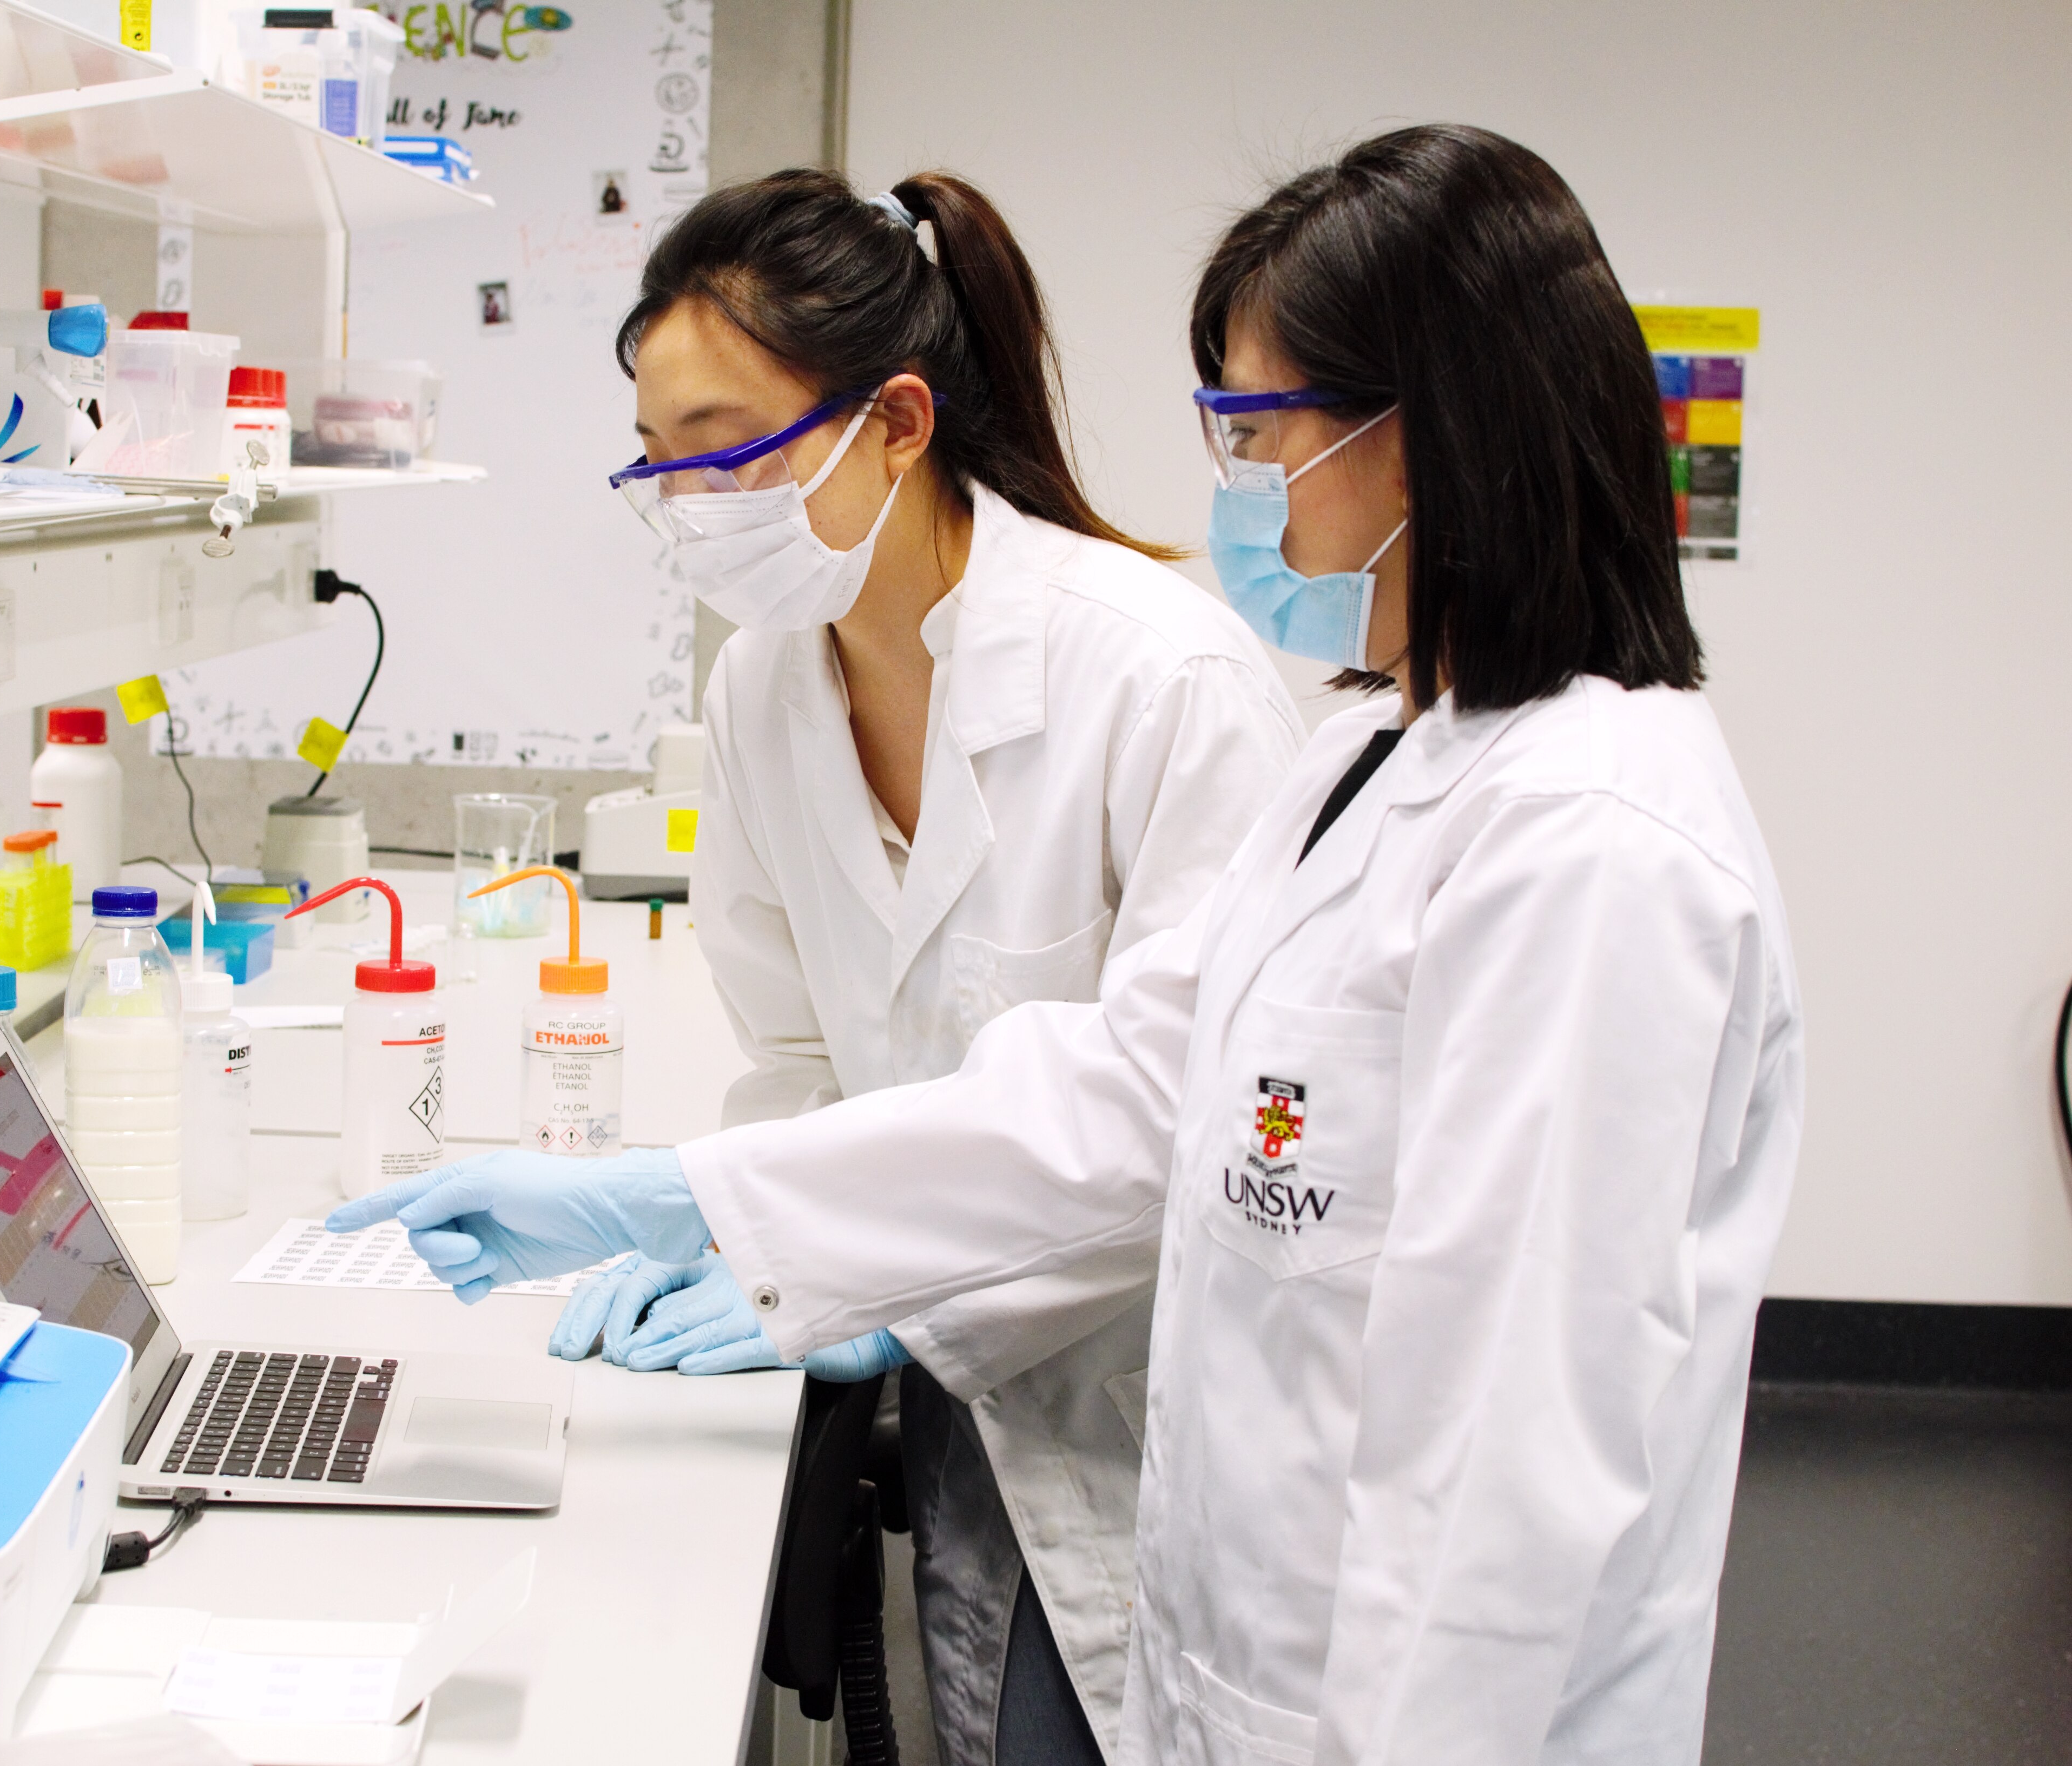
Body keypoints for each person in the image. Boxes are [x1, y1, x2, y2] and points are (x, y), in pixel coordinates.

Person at [334, 123, 1803, 1766]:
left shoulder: (1593, 846)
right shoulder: (1379, 759)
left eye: (1259, 434)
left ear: (1431, 437)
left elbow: (1507, 1482)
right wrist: (708, 1200)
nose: (1238, 493)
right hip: (1236, 1629)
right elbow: (1129, 1094)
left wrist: (778, 1235)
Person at [565, 168, 1303, 1766]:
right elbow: (797, 1050)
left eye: (729, 450)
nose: (693, 505)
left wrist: (870, 1274)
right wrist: (764, 1236)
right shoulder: (765, 689)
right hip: (962, 1394)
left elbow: (1192, 1120)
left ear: (896, 422)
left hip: (1152, 1404)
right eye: (659, 461)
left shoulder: (1164, 682)